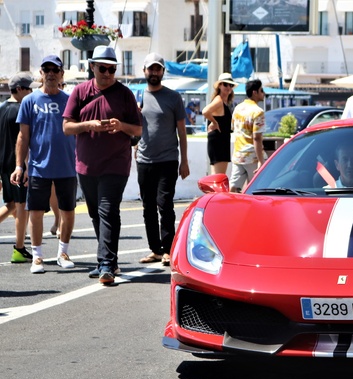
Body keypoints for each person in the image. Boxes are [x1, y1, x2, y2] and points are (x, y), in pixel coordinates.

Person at [62, 45, 142, 285]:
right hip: (86, 164)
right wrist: (89, 125)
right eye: (103, 68)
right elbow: (67, 127)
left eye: (112, 69)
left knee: (108, 210)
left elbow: (137, 130)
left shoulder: (125, 94)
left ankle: (105, 264)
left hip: (116, 163)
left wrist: (121, 126)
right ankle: (110, 261)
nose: (108, 73)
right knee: (97, 214)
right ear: (92, 67)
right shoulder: (79, 91)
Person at [10, 55, 77, 274]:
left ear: (61, 74)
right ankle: (37, 257)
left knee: (67, 211)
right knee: (36, 212)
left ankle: (63, 253)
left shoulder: (70, 100)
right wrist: (20, 166)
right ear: (41, 73)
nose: (50, 73)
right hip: (39, 167)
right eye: (46, 69)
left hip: (67, 167)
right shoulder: (30, 101)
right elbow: (23, 137)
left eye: (55, 70)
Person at [136, 52, 190, 266]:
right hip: (144, 160)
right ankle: (155, 250)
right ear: (145, 71)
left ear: (163, 72)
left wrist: (184, 161)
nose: (154, 72)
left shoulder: (173, 97)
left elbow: (182, 132)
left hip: (167, 160)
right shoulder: (139, 95)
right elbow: (138, 127)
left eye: (158, 69)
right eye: (151, 68)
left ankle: (168, 249)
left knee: (164, 204)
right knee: (148, 206)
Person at [0, 72, 38, 264]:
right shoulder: (22, 110)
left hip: (3, 163)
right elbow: (24, 140)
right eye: (30, 88)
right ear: (20, 90)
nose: (32, 91)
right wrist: (24, 166)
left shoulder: (2, 108)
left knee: (12, 204)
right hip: (18, 165)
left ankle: (21, 247)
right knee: (21, 206)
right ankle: (20, 248)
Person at [230, 79, 266, 193]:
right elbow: (257, 138)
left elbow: (233, 128)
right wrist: (261, 160)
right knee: (256, 190)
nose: (263, 93)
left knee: (234, 189)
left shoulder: (238, 108)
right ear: (255, 92)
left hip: (238, 155)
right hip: (252, 158)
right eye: (261, 90)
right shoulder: (258, 112)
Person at [202, 72, 237, 175]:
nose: (228, 87)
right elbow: (205, 111)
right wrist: (214, 122)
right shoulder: (219, 100)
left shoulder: (224, 101)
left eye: (230, 85)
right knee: (218, 177)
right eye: (225, 84)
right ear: (220, 85)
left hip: (221, 141)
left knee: (218, 176)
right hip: (219, 142)